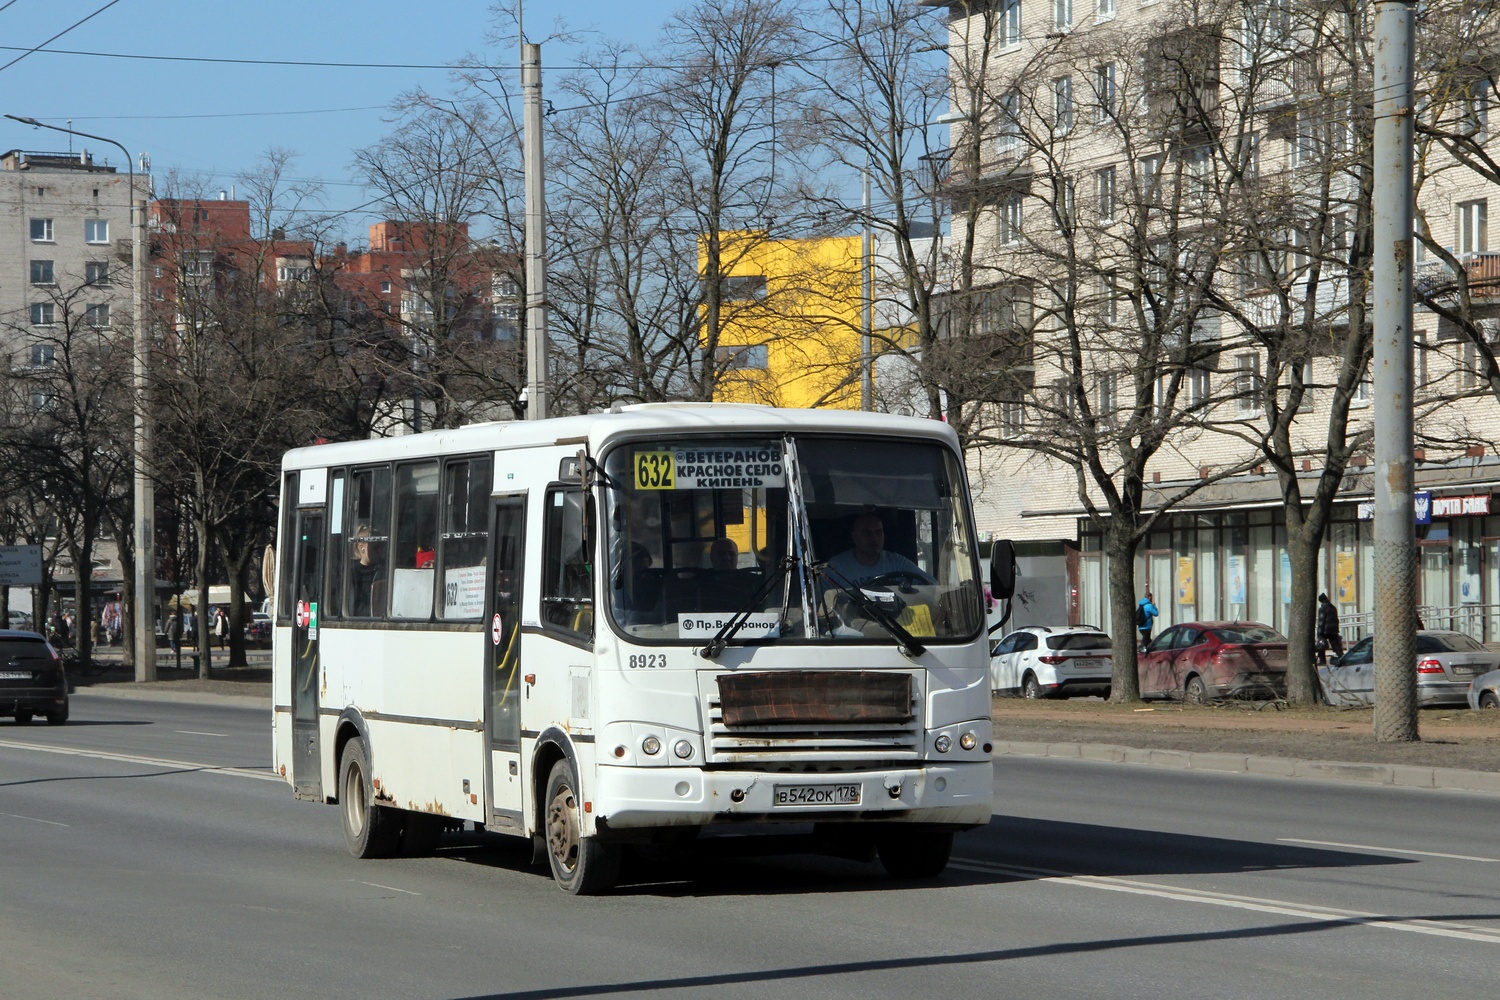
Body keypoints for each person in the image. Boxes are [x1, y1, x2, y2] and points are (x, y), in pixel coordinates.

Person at [824, 512, 934, 587]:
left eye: (878, 532)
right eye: (867, 533)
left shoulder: (897, 563)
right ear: (854, 537)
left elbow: (932, 586)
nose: (874, 538)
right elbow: (820, 606)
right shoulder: (835, 569)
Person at [1316, 592, 1343, 664]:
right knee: (1336, 645)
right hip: (1333, 630)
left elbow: (1321, 621)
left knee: (1321, 645)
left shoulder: (1322, 609)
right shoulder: (1333, 607)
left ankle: (1322, 660)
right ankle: (1342, 657)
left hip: (1325, 630)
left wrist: (1319, 633)